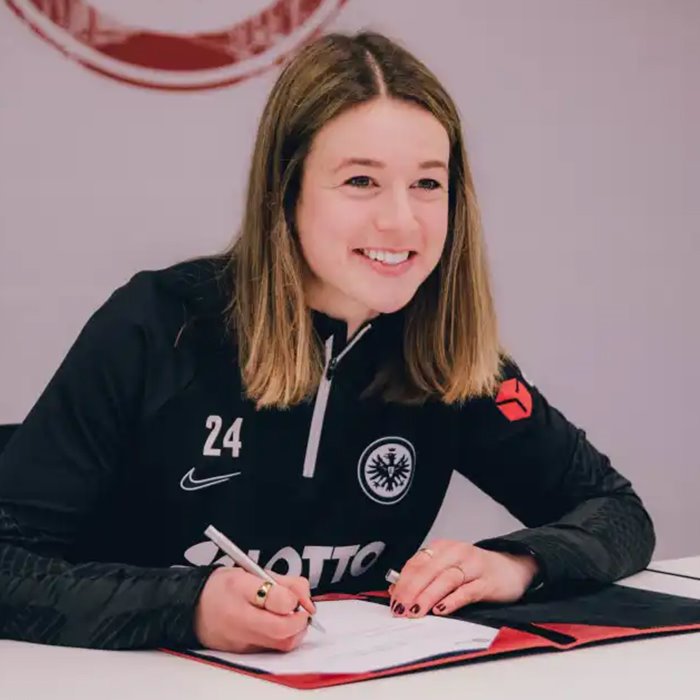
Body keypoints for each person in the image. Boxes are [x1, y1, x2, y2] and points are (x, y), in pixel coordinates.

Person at [0, 31, 654, 654]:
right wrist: (188, 605)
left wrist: (517, 564)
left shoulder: (446, 354)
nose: (400, 220)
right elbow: (9, 564)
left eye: (428, 183)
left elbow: (616, 512)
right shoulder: (158, 323)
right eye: (361, 181)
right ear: (285, 192)